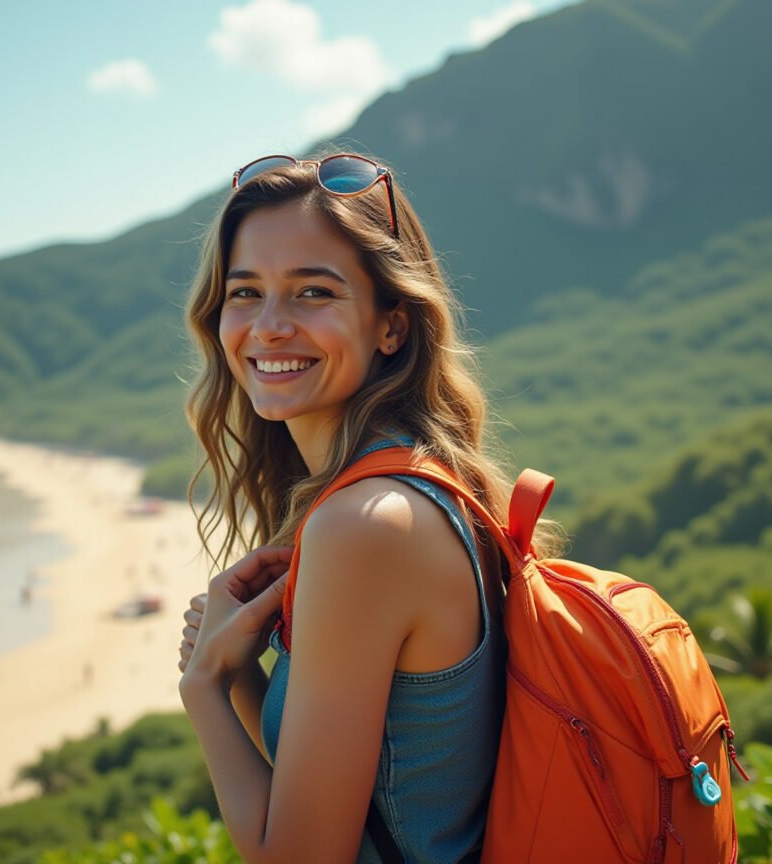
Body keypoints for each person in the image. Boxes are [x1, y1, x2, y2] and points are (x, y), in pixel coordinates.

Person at [175, 152, 559, 862]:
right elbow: (376, 780)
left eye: (313, 293)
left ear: (392, 325)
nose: (268, 325)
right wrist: (236, 673)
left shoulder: (365, 527)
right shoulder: (415, 486)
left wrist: (202, 685)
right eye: (245, 292)